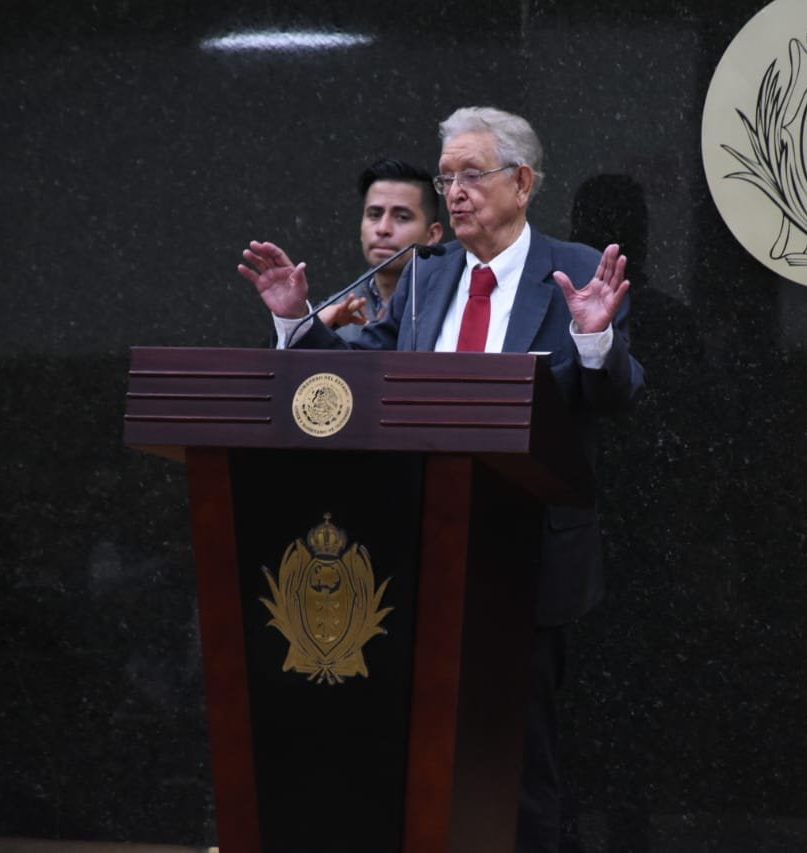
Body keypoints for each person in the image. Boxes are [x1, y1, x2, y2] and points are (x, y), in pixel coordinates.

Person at [238, 106, 645, 853]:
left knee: (518, 760)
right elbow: (362, 373)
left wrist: (594, 337)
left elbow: (615, 395)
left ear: (522, 183)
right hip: (417, 547)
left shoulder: (576, 269)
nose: (453, 192)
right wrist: (298, 323)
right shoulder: (426, 277)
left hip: (526, 554)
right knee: (416, 750)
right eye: (446, 177)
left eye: (471, 175)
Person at [320, 158, 444, 340]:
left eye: (402, 217)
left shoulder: (451, 305)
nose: (383, 229)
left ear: (432, 235)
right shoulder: (333, 312)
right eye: (374, 215)